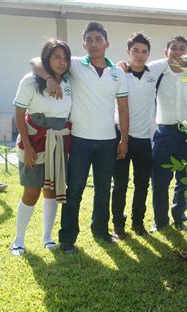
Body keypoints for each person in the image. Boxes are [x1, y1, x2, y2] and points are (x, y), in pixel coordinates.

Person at [31, 22, 129, 253]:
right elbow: (36, 62)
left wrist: (124, 139)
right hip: (79, 140)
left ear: (107, 43)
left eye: (98, 39)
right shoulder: (74, 64)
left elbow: (123, 109)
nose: (94, 44)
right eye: (89, 39)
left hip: (108, 141)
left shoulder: (118, 73)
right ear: (83, 43)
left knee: (104, 189)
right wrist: (50, 79)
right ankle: (67, 239)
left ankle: (101, 231)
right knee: (74, 189)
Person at [10, 39, 72, 256]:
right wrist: (27, 147)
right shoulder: (30, 81)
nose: (62, 62)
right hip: (34, 141)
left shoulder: (69, 80)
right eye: (56, 57)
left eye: (65, 58)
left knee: (52, 190)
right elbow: (19, 114)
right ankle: (18, 240)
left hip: (59, 142)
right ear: (47, 58)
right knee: (31, 191)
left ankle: (47, 237)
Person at [111, 33, 167, 238]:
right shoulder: (119, 73)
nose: (140, 55)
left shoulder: (154, 71)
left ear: (149, 54)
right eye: (135, 51)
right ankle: (118, 224)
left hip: (144, 139)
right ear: (128, 52)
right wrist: (119, 66)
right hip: (120, 136)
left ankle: (138, 222)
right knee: (120, 184)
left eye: (144, 51)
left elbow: (176, 56)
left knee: (142, 184)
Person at [150, 35, 187, 232]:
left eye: (182, 48)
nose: (178, 52)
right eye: (174, 48)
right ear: (167, 52)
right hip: (165, 133)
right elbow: (137, 66)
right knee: (160, 180)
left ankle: (179, 218)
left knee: (185, 178)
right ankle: (160, 221)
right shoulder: (159, 72)